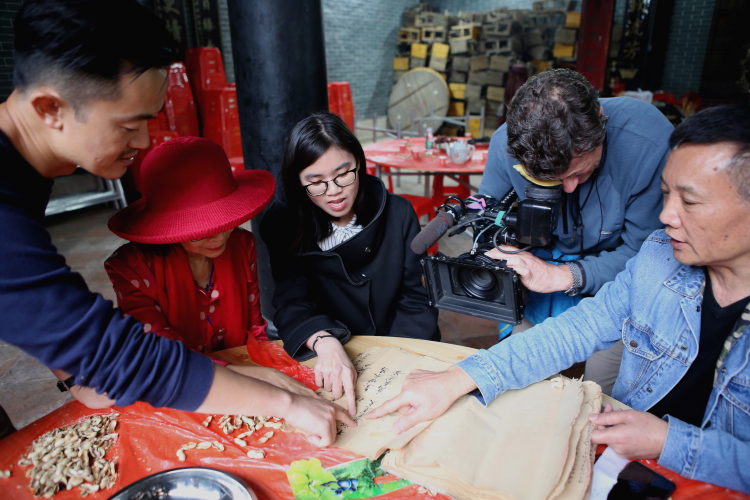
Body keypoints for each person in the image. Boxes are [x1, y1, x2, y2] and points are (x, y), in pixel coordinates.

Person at [0, 0, 353, 445]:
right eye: (130, 126)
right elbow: (111, 354)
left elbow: (71, 340)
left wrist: (80, 368)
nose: (144, 141)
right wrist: (286, 402)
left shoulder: (23, 171)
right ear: (50, 109)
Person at [367, 104, 750, 493]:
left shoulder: (643, 149)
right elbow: (579, 328)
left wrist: (671, 443)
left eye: (690, 201)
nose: (666, 215)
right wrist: (459, 377)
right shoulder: (659, 258)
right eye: (666, 194)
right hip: (631, 469)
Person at [479, 69, 674, 394]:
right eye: (552, 181)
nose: (568, 188)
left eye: (580, 172)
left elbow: (650, 255)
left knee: (607, 384)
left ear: (600, 123)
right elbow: (487, 223)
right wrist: (503, 256)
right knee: (515, 365)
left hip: (620, 276)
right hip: (538, 269)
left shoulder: (647, 143)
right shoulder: (506, 145)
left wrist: (564, 276)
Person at [260, 112, 440, 415]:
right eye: (315, 182)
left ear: (359, 162)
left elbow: (415, 298)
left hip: (399, 345)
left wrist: (395, 362)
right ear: (297, 183)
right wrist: (323, 340)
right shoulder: (285, 225)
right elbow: (292, 301)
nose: (333, 191)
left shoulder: (398, 214)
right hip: (332, 347)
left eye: (344, 174)